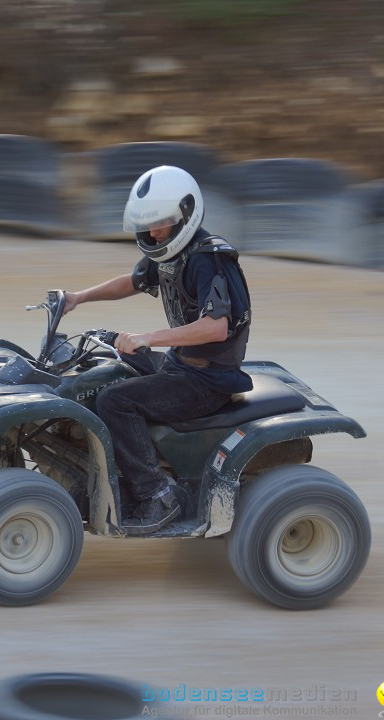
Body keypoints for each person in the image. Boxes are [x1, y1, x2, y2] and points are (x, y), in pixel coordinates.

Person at [64, 165, 253, 535]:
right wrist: (79, 297)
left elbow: (217, 327)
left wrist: (147, 338)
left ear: (185, 214)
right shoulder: (172, 254)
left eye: (161, 223)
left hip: (207, 380)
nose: (153, 232)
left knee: (115, 401)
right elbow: (131, 282)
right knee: (108, 363)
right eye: (148, 224)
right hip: (181, 366)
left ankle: (157, 495)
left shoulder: (206, 259)